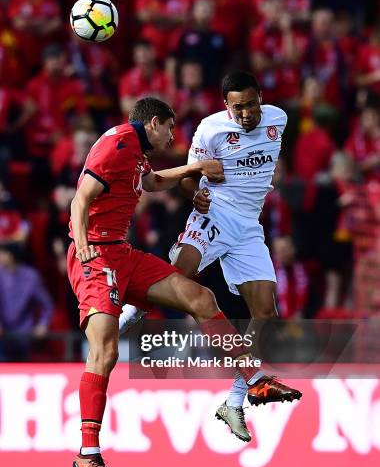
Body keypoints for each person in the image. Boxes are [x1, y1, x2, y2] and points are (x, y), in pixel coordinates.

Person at [68, 96, 301, 467]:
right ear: (155, 123)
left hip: (122, 254)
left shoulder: (135, 153)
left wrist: (191, 170)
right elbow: (81, 198)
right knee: (105, 352)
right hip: (96, 256)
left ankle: (254, 379)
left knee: (201, 298)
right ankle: (88, 452)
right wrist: (82, 242)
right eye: (171, 128)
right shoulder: (118, 144)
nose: (173, 136)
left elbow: (152, 182)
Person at [120, 73, 302, 443]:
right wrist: (195, 195)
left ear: (261, 99)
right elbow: (190, 178)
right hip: (214, 213)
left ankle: (235, 401)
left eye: (252, 104)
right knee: (179, 277)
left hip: (249, 226)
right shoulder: (209, 130)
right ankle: (131, 312)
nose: (247, 113)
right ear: (226, 105)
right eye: (238, 107)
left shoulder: (278, 119)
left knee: (265, 313)